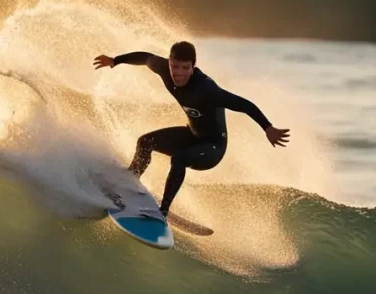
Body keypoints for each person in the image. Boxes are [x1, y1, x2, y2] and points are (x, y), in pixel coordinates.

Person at [93, 41, 290, 218]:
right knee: (145, 142)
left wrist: (268, 127)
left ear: (193, 67)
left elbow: (243, 104)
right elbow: (145, 58)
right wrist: (115, 60)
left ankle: (163, 211)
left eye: (185, 68)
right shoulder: (163, 68)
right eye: (174, 66)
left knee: (178, 159)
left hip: (213, 148)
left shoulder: (206, 89)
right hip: (192, 135)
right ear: (169, 62)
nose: (178, 73)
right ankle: (129, 182)